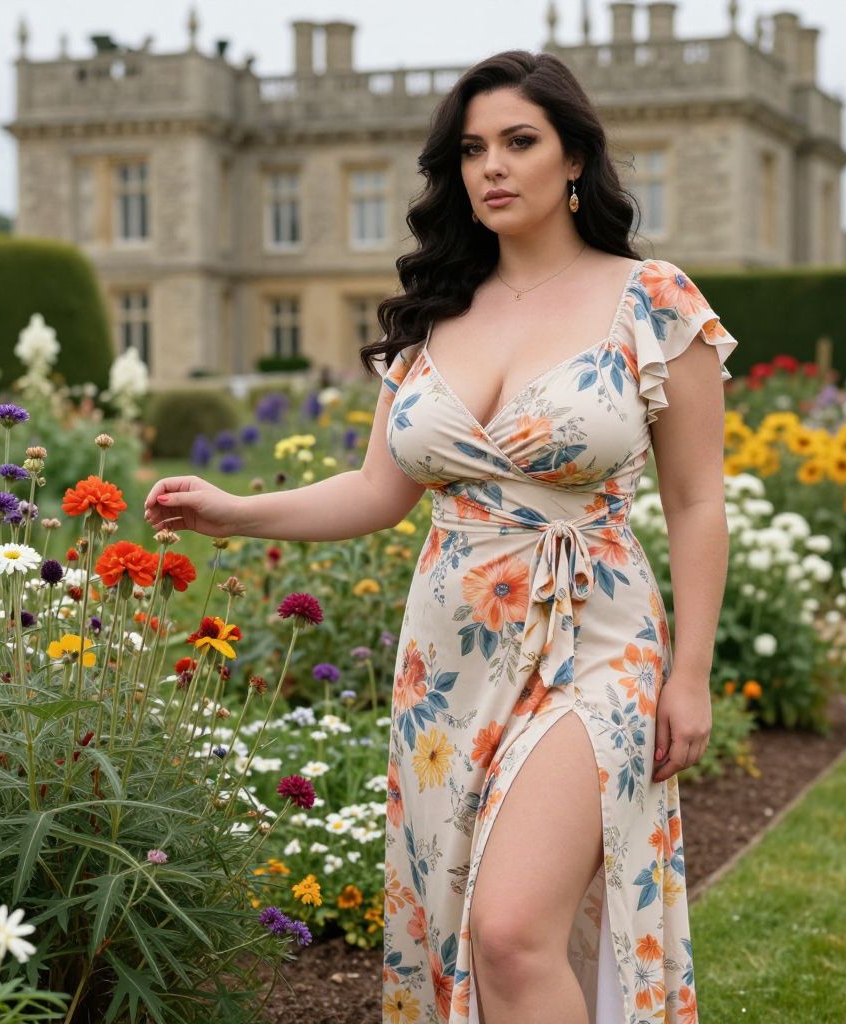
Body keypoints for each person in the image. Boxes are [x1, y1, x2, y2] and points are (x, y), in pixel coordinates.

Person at [145, 48, 736, 1024]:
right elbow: (377, 492)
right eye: (471, 149)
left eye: (518, 142)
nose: (491, 167)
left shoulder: (652, 300)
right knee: (459, 922)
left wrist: (691, 672)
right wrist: (234, 511)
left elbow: (696, 502)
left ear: (575, 158)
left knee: (508, 932)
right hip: (446, 662)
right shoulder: (432, 316)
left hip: (593, 641)